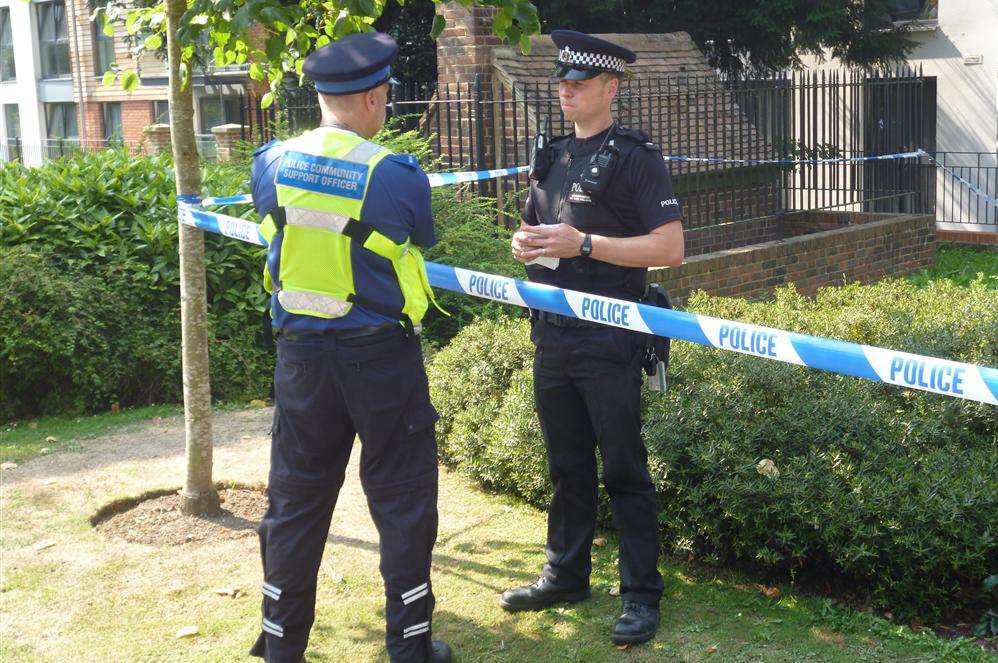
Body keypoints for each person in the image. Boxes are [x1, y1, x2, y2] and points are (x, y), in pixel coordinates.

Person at [247, 31, 451, 663]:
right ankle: (410, 648)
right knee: (402, 497)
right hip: (379, 357)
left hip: (301, 358)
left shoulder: (270, 162)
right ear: (370, 98)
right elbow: (424, 235)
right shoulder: (392, 173)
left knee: (295, 500)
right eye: (386, 96)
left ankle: (281, 646)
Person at [503, 30, 685, 646]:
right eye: (562, 83)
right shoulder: (552, 154)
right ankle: (566, 574)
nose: (567, 92)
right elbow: (533, 226)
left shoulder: (636, 156)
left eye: (578, 84)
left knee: (625, 468)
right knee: (566, 464)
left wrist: (584, 243)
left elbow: (670, 247)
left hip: (611, 335)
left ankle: (640, 593)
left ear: (611, 88)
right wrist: (523, 241)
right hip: (553, 333)